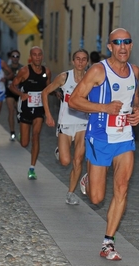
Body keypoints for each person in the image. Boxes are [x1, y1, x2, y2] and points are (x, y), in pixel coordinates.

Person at [69, 28, 139, 260]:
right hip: (100, 138)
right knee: (96, 198)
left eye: (127, 42)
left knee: (121, 188)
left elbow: (135, 99)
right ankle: (89, 177)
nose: (122, 46)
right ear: (110, 46)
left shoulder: (135, 71)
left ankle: (108, 242)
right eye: (117, 43)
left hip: (124, 138)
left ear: (131, 46)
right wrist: (103, 107)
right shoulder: (98, 70)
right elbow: (74, 100)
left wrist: (138, 112)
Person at [41, 49, 89, 205]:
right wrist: (48, 115)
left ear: (87, 62)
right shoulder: (64, 77)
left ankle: (70, 193)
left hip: (83, 123)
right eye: (78, 59)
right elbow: (45, 92)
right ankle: (60, 151)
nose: (80, 62)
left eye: (84, 59)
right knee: (65, 161)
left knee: (78, 160)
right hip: (65, 124)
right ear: (73, 61)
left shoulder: (91, 79)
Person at [9, 46, 51, 180]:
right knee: (24, 143)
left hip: (39, 108)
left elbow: (48, 87)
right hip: (26, 107)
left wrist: (56, 92)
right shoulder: (24, 71)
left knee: (36, 135)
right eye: (35, 55)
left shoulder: (47, 71)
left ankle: (32, 168)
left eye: (40, 54)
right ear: (31, 57)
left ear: (42, 56)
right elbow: (12, 86)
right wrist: (21, 94)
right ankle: (22, 133)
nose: (37, 57)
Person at [5, 50, 23, 141]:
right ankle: (12, 133)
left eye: (17, 56)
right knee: (11, 111)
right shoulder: (7, 68)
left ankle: (21, 132)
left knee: (19, 113)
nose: (15, 58)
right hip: (9, 92)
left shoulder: (22, 68)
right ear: (10, 58)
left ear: (19, 58)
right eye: (13, 56)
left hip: (19, 92)